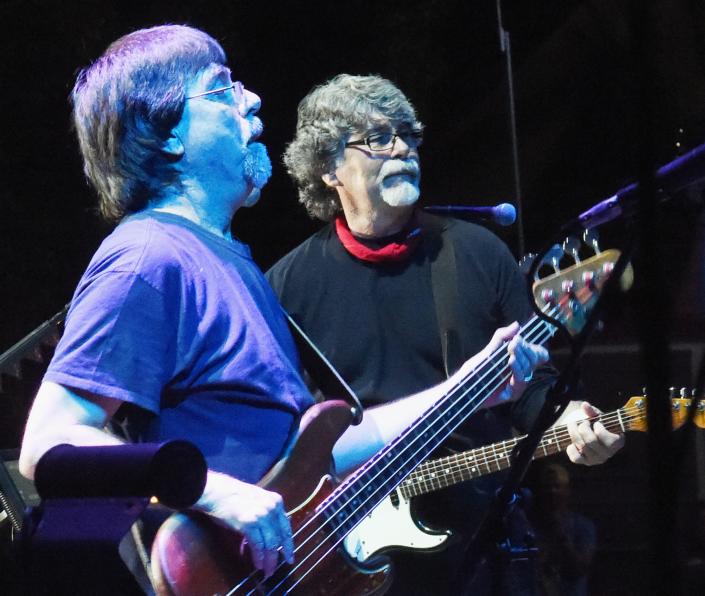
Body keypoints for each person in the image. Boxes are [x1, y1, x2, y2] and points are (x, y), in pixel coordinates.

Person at [18, 27, 549, 592]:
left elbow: (318, 456)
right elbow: (50, 441)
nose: (252, 99)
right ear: (168, 134)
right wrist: (218, 494)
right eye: (221, 89)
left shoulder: (237, 269)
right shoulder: (148, 257)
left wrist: (464, 388)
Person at [266, 74, 625, 594]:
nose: (403, 151)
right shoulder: (286, 286)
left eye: (408, 136)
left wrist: (568, 416)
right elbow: (284, 431)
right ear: (328, 168)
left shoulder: (475, 253)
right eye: (377, 139)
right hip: (343, 550)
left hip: (477, 541)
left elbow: (534, 384)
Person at [531, 463, 597, 596]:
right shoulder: (527, 525)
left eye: (557, 486)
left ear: (567, 490)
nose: (552, 492)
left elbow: (579, 569)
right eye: (547, 487)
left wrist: (560, 535)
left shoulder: (583, 526)